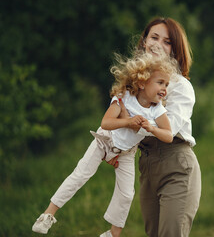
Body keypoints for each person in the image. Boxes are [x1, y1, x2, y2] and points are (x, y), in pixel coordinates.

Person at [32, 51, 179, 237]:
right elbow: (106, 123)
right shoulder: (124, 97)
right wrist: (128, 122)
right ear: (142, 82)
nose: (164, 88)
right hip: (105, 140)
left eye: (166, 84)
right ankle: (47, 215)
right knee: (80, 175)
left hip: (126, 153)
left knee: (126, 194)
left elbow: (168, 136)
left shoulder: (157, 110)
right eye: (160, 83)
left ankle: (112, 234)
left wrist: (152, 129)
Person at [110, 17, 202, 237]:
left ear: (175, 50)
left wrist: (127, 119)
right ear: (144, 42)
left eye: (167, 41)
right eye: (154, 37)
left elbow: (167, 130)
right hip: (147, 167)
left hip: (176, 166)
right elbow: (119, 127)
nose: (158, 44)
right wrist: (114, 148)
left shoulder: (180, 86)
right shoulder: (135, 87)